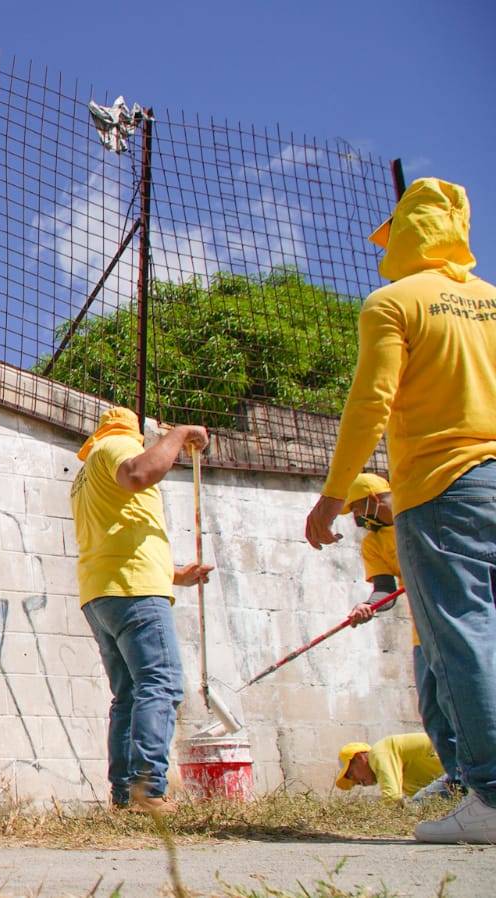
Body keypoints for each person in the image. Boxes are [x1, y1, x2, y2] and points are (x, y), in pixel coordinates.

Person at [305, 177, 496, 843]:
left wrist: (332, 496)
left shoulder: (392, 303)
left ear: (404, 234)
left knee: (465, 638)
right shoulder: (494, 303)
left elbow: (370, 403)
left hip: (445, 489)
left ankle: (491, 799)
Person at [70, 407, 212, 814]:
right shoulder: (116, 446)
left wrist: (175, 574)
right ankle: (148, 790)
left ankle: (123, 795)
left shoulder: (87, 472)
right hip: (133, 589)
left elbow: (120, 524)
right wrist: (181, 433)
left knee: (129, 695)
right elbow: (138, 475)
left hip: (103, 591)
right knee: (161, 684)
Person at [342, 473, 460, 795]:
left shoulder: (424, 515)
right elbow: (383, 591)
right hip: (423, 634)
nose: (355, 519)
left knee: (463, 702)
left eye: (355, 509)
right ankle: (458, 781)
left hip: (459, 624)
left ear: (374, 499)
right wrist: (366, 608)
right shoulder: (374, 543)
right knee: (433, 711)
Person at [335, 734, 445, 803]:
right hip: (456, 778)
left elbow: (392, 799)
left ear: (359, 757)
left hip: (459, 767)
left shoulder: (378, 752)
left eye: (351, 774)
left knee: (419, 802)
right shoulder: (404, 783)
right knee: (420, 802)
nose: (356, 782)